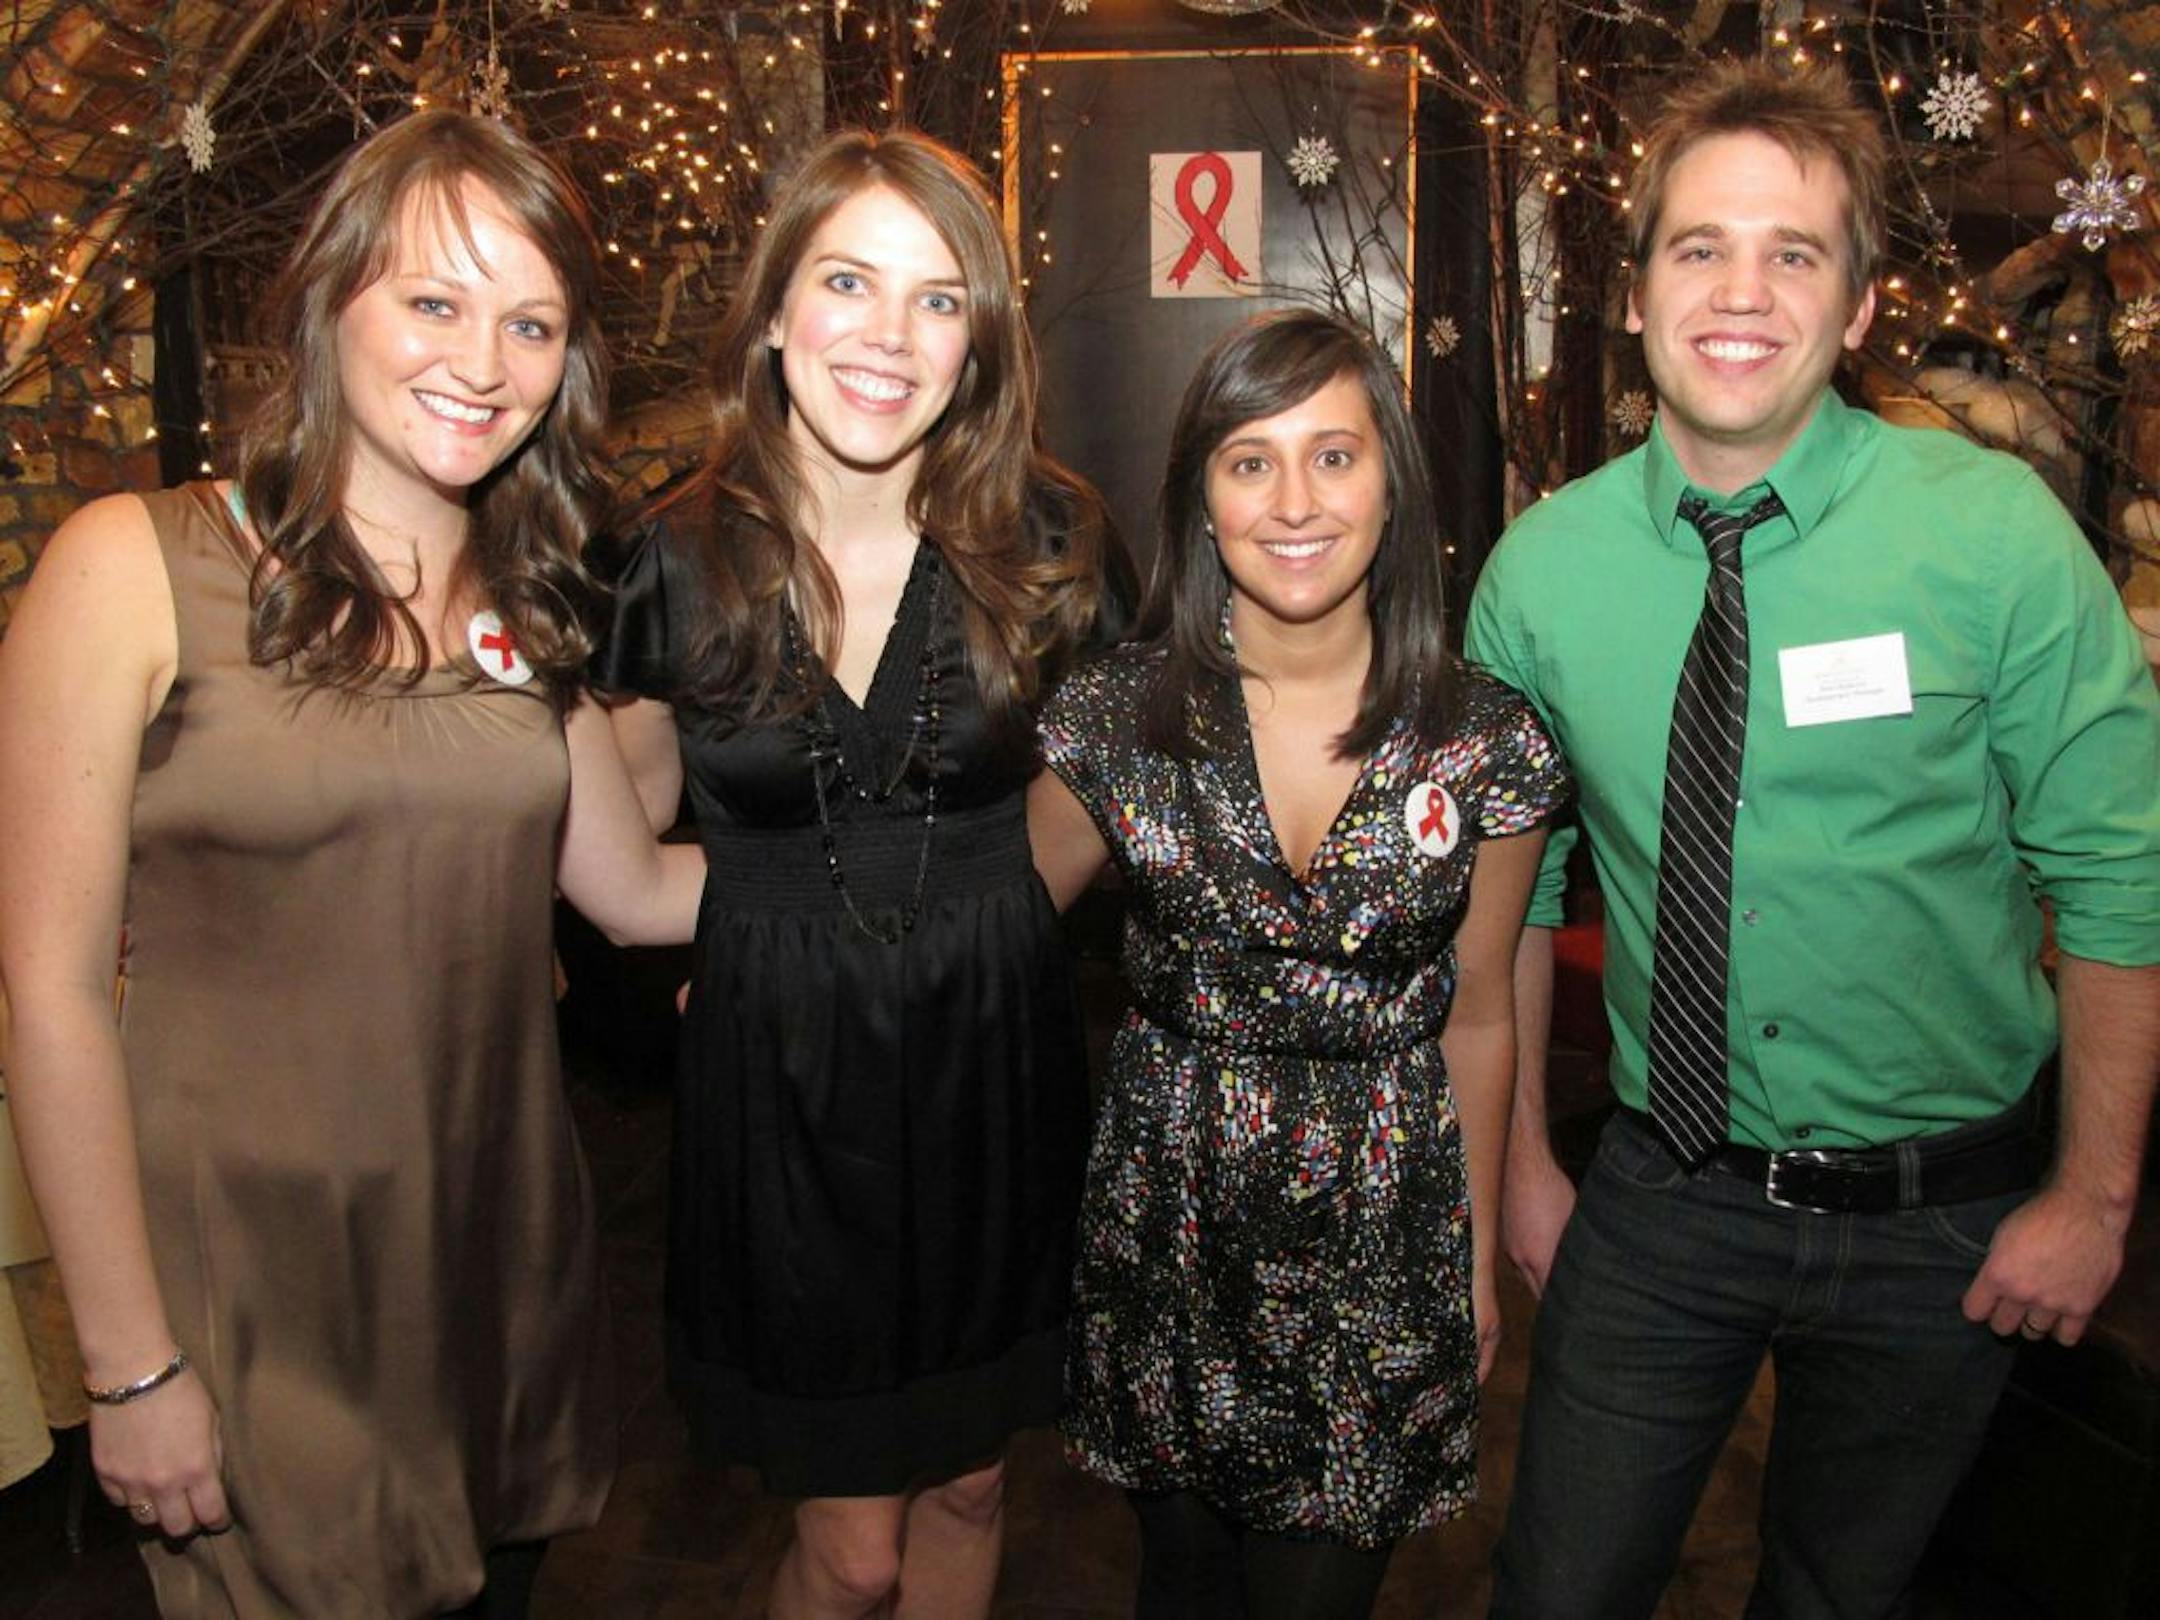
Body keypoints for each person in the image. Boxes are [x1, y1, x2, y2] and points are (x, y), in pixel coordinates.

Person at [1466, 59, 2160, 1620]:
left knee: (1842, 1598)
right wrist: (1521, 1170)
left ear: (1858, 307)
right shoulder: (1539, 575)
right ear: (1633, 291)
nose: (1742, 291)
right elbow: (1514, 899)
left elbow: (2123, 873)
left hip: (1946, 1226)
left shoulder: (1991, 534)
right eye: (1699, 246)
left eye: (1795, 253)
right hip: (1661, 1203)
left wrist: (2092, 1199)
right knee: (1557, 1592)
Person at [0, 112, 702, 1618]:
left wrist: (936, 868)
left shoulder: (526, 603)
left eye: (530, 324)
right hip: (257, 1293)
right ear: (330, 301)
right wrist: (128, 1363)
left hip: (496, 1260)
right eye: (434, 301)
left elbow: (636, 890)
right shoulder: (134, 563)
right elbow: (46, 995)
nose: (482, 362)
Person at [590, 128, 1123, 1620]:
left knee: (969, 1486)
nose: (889, 334)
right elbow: (626, 849)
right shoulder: (670, 560)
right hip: (782, 1093)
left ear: (979, 340)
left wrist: (972, 921)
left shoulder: (1052, 538)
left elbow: (1094, 796)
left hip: (994, 1072)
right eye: (846, 282)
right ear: (773, 311)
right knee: (851, 1549)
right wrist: (772, 941)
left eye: (938, 298)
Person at [1028, 309, 1570, 1618]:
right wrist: (791, 966)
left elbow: (1481, 1015)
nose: (1293, 503)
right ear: (1201, 501)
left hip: (1382, 1242)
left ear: (1392, 484)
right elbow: (987, 936)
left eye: (1333, 456)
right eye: (1249, 461)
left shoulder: (1484, 742)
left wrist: (1471, 1258)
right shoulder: (1116, 719)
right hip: (1168, 1228)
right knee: (1181, 1592)